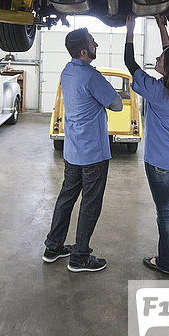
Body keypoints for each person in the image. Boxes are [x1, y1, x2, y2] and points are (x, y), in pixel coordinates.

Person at [43, 27, 123, 273]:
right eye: (93, 42)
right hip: (94, 155)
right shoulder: (91, 76)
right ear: (85, 51)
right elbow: (118, 105)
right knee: (90, 202)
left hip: (73, 151)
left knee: (67, 196)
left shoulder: (67, 72)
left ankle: (53, 247)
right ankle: (79, 256)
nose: (97, 44)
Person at [124, 14, 169, 274]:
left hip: (160, 163)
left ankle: (165, 262)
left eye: (160, 60)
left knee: (164, 210)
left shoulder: (156, 90)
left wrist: (130, 29)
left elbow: (129, 62)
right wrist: (161, 25)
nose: (157, 58)